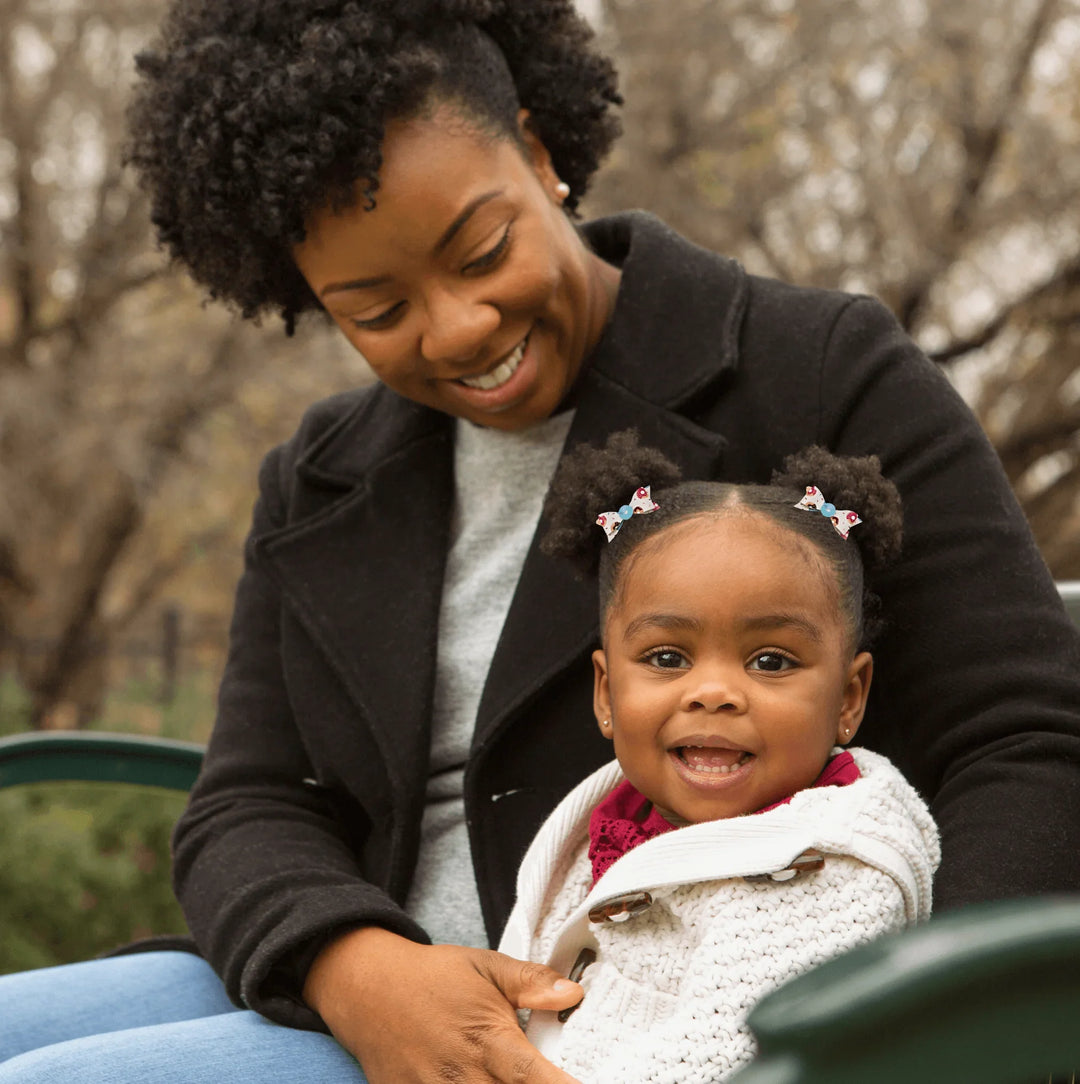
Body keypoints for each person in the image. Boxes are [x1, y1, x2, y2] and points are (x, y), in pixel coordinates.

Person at [0, 1, 1078, 1082]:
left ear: (538, 149)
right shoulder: (319, 475)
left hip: (628, 1020)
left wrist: (912, 1035)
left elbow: (1023, 737)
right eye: (377, 311)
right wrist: (351, 962)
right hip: (356, 983)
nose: (459, 327)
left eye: (481, 250)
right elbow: (248, 800)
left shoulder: (816, 370)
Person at [497, 432, 940, 1083]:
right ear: (606, 693)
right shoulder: (619, 815)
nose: (713, 693)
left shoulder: (830, 871)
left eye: (771, 661)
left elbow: (731, 1048)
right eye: (667, 658)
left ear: (849, 698)